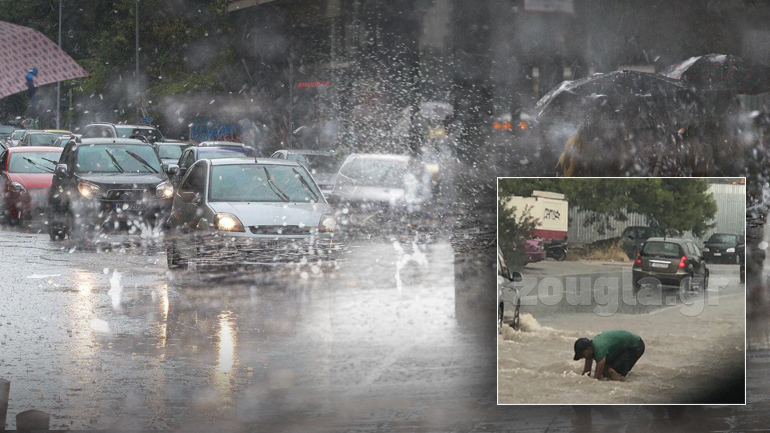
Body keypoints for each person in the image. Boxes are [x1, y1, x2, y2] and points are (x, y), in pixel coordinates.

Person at [573, 329, 645, 381]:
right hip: (622, 347)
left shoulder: (599, 349)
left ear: (588, 349)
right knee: (605, 372)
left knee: (612, 371)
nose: (582, 357)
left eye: (582, 354)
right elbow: (586, 373)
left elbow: (597, 379)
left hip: (635, 345)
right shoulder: (590, 350)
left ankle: (621, 388)